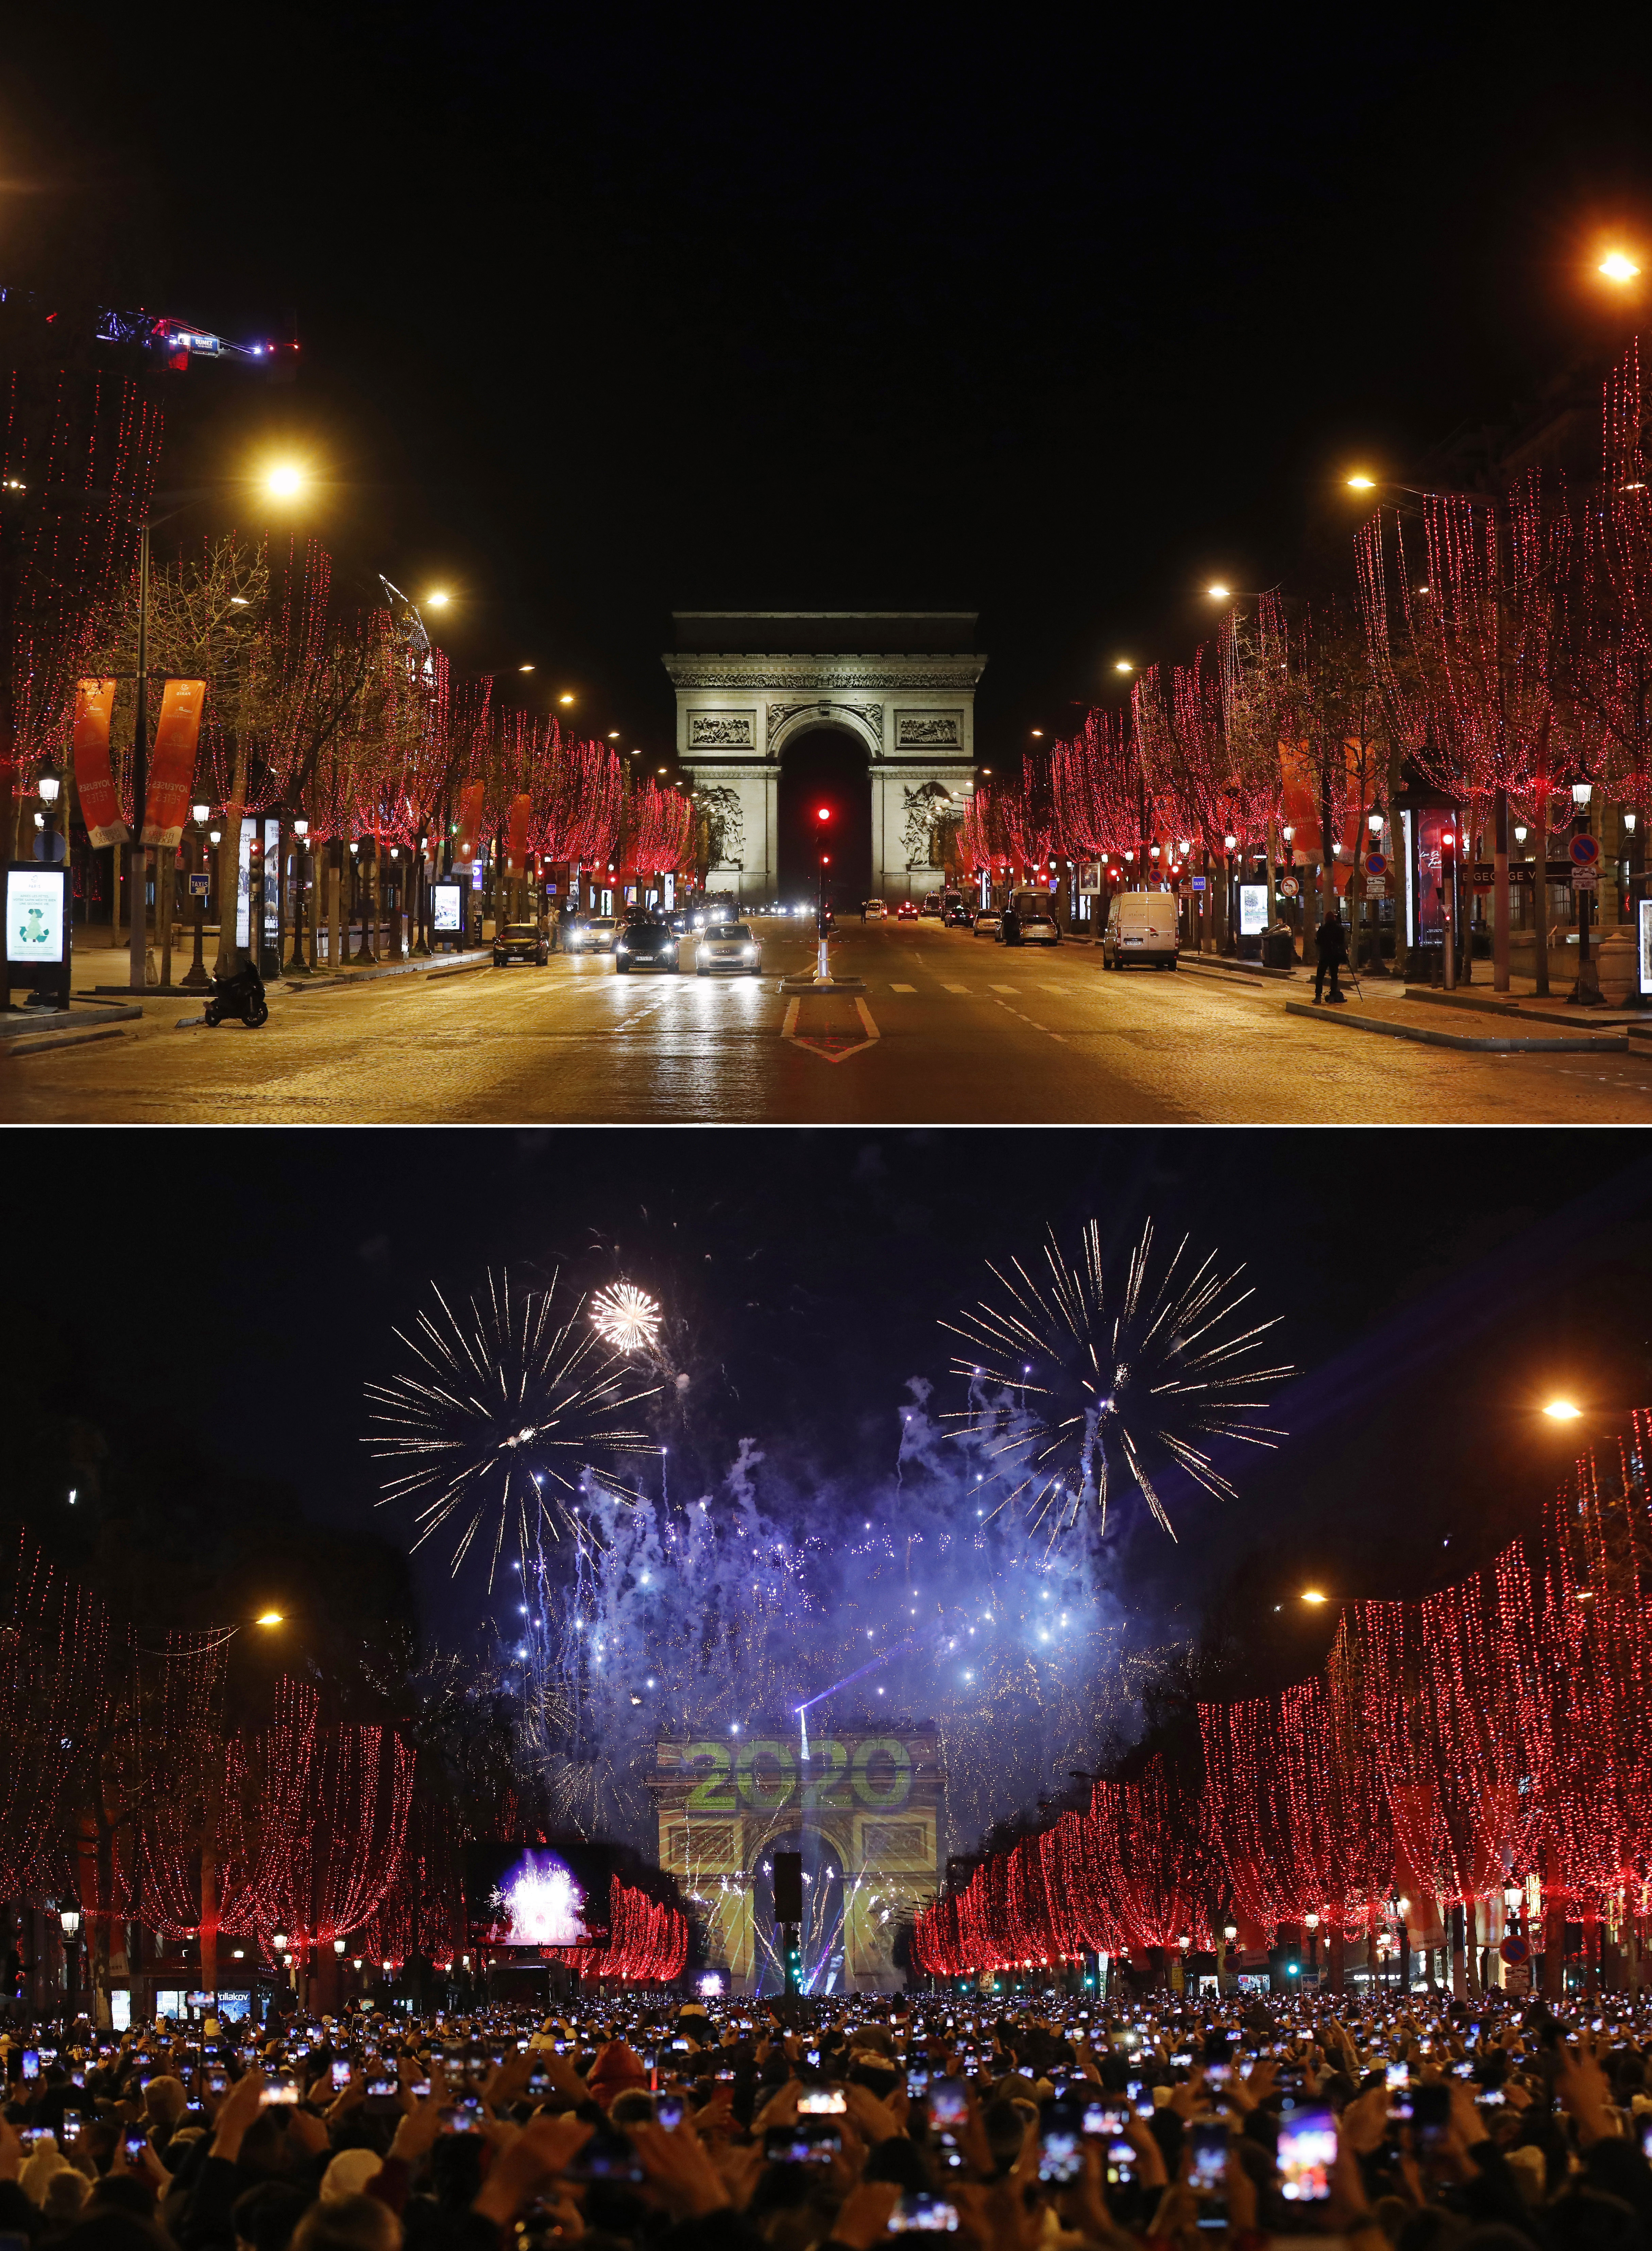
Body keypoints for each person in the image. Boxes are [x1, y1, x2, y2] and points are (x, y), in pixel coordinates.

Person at [1314, 904, 1349, 1002]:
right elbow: (1342, 942)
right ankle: (1333, 995)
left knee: (1320, 976)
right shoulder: (1339, 929)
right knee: (1334, 976)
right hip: (1335, 956)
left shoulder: (1323, 929)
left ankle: (1318, 996)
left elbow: (1318, 942)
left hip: (1325, 955)